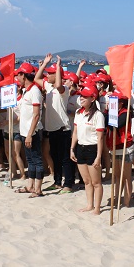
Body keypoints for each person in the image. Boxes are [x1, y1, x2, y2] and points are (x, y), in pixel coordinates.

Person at [35, 54, 73, 191]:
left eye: (50, 73)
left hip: (63, 128)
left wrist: (57, 67)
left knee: (65, 158)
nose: (47, 75)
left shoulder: (64, 89)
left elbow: (58, 85)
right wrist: (44, 64)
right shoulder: (49, 87)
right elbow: (36, 78)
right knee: (55, 157)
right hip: (52, 128)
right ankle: (57, 181)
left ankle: (68, 184)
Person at [70, 85, 105, 214]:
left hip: (93, 149)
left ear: (92, 98)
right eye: (81, 96)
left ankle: (97, 207)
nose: (81, 98)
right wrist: (72, 148)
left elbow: (100, 138)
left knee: (96, 182)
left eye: (85, 96)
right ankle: (90, 205)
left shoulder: (98, 115)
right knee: (86, 181)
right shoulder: (78, 112)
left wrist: (98, 156)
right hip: (80, 148)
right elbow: (75, 133)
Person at [14, 62, 45, 197]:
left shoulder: (35, 91)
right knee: (30, 159)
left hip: (33, 132)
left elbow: (36, 115)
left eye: (18, 75)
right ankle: (30, 186)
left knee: (37, 159)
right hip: (24, 130)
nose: (17, 78)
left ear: (24, 75)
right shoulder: (26, 91)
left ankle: (38, 189)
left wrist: (30, 134)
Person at [106, 89, 134, 207]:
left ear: (121, 103)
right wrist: (107, 111)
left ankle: (126, 201)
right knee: (117, 175)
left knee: (126, 176)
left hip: (125, 147)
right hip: (114, 146)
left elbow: (115, 125)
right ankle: (117, 198)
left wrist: (107, 113)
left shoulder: (125, 113)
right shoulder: (113, 113)